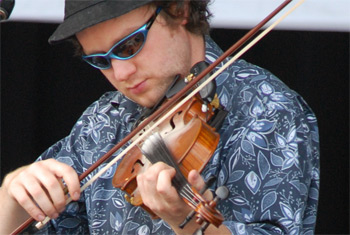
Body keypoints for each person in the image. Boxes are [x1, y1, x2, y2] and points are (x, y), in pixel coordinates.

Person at [0, 0, 320, 234]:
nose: (121, 73)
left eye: (130, 44)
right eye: (100, 60)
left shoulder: (269, 111)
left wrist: (189, 224)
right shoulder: (102, 122)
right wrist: (12, 194)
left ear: (178, 9)